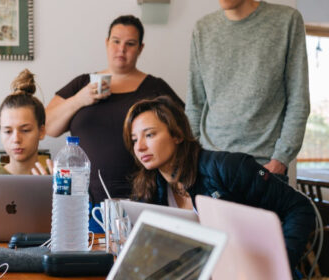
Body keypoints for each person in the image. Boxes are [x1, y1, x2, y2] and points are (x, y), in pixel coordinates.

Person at [123, 96, 315, 272]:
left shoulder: (228, 167)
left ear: (177, 135)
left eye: (149, 135)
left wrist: (280, 264)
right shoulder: (150, 187)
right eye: (134, 139)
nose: (139, 147)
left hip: (253, 271)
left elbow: (300, 207)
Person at [45, 15, 183, 232]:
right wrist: (80, 99)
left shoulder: (155, 87)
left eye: (130, 44)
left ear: (140, 48)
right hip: (85, 204)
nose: (122, 49)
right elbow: (48, 127)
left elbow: (182, 133)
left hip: (145, 201)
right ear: (106, 43)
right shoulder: (83, 83)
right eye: (116, 41)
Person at [187, 0, 309, 180]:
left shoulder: (286, 21)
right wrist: (193, 157)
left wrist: (280, 160)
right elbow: (195, 103)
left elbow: (298, 99)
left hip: (263, 167)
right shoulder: (202, 29)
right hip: (210, 164)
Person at [0, 69, 49, 175]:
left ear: (41, 131)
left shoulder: (58, 180)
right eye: (8, 131)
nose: (16, 139)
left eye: (25, 130)